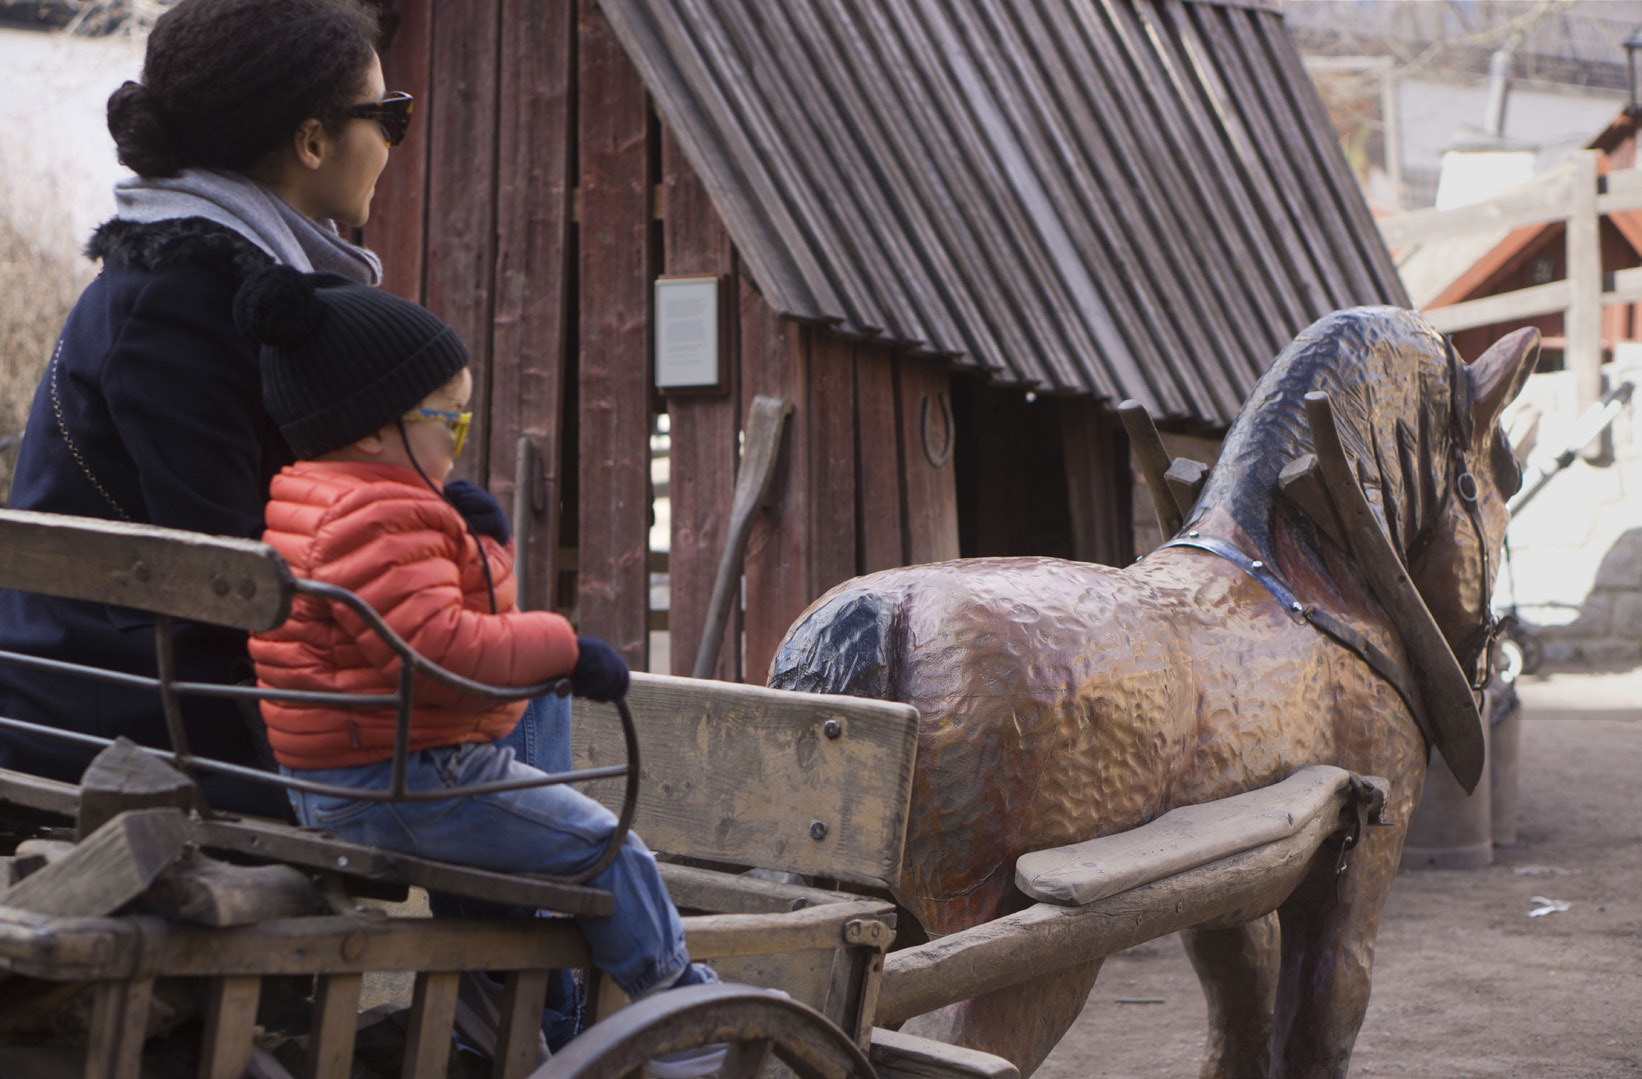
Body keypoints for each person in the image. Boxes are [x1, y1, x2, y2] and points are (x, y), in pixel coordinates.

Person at [238, 266, 729, 1077]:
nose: (459, 436)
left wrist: (480, 548)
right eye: (450, 421)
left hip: (346, 772)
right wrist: (568, 646)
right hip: (405, 787)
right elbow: (447, 656)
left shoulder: (310, 494)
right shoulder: (378, 511)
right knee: (609, 848)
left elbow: (431, 636)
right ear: (371, 429)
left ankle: (493, 991)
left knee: (533, 710)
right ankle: (675, 1003)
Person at [0, 0, 407, 815]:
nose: (394, 141)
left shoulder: (205, 283)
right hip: (126, 724)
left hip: (123, 693)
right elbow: (231, 576)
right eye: (387, 117)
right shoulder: (182, 306)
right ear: (313, 140)